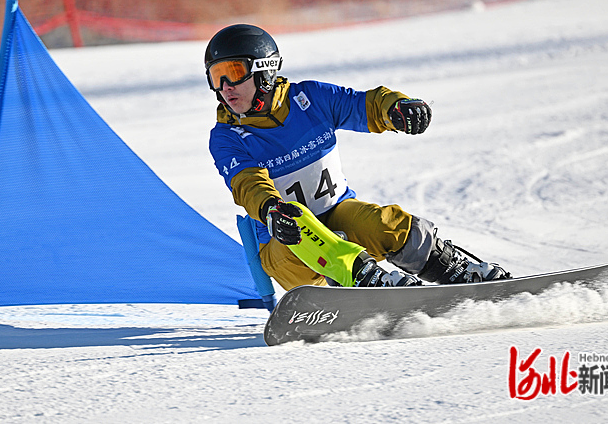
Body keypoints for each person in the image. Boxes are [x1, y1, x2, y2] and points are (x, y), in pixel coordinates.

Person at [206, 24, 510, 290]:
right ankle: (366, 280)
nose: (225, 88)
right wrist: (271, 210)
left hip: (337, 213)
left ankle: (452, 270)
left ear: (264, 70)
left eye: (233, 73)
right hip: (286, 247)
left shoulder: (309, 100)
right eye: (216, 77)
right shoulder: (226, 137)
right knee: (296, 216)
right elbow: (247, 184)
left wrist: (397, 108)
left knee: (383, 223)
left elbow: (365, 105)